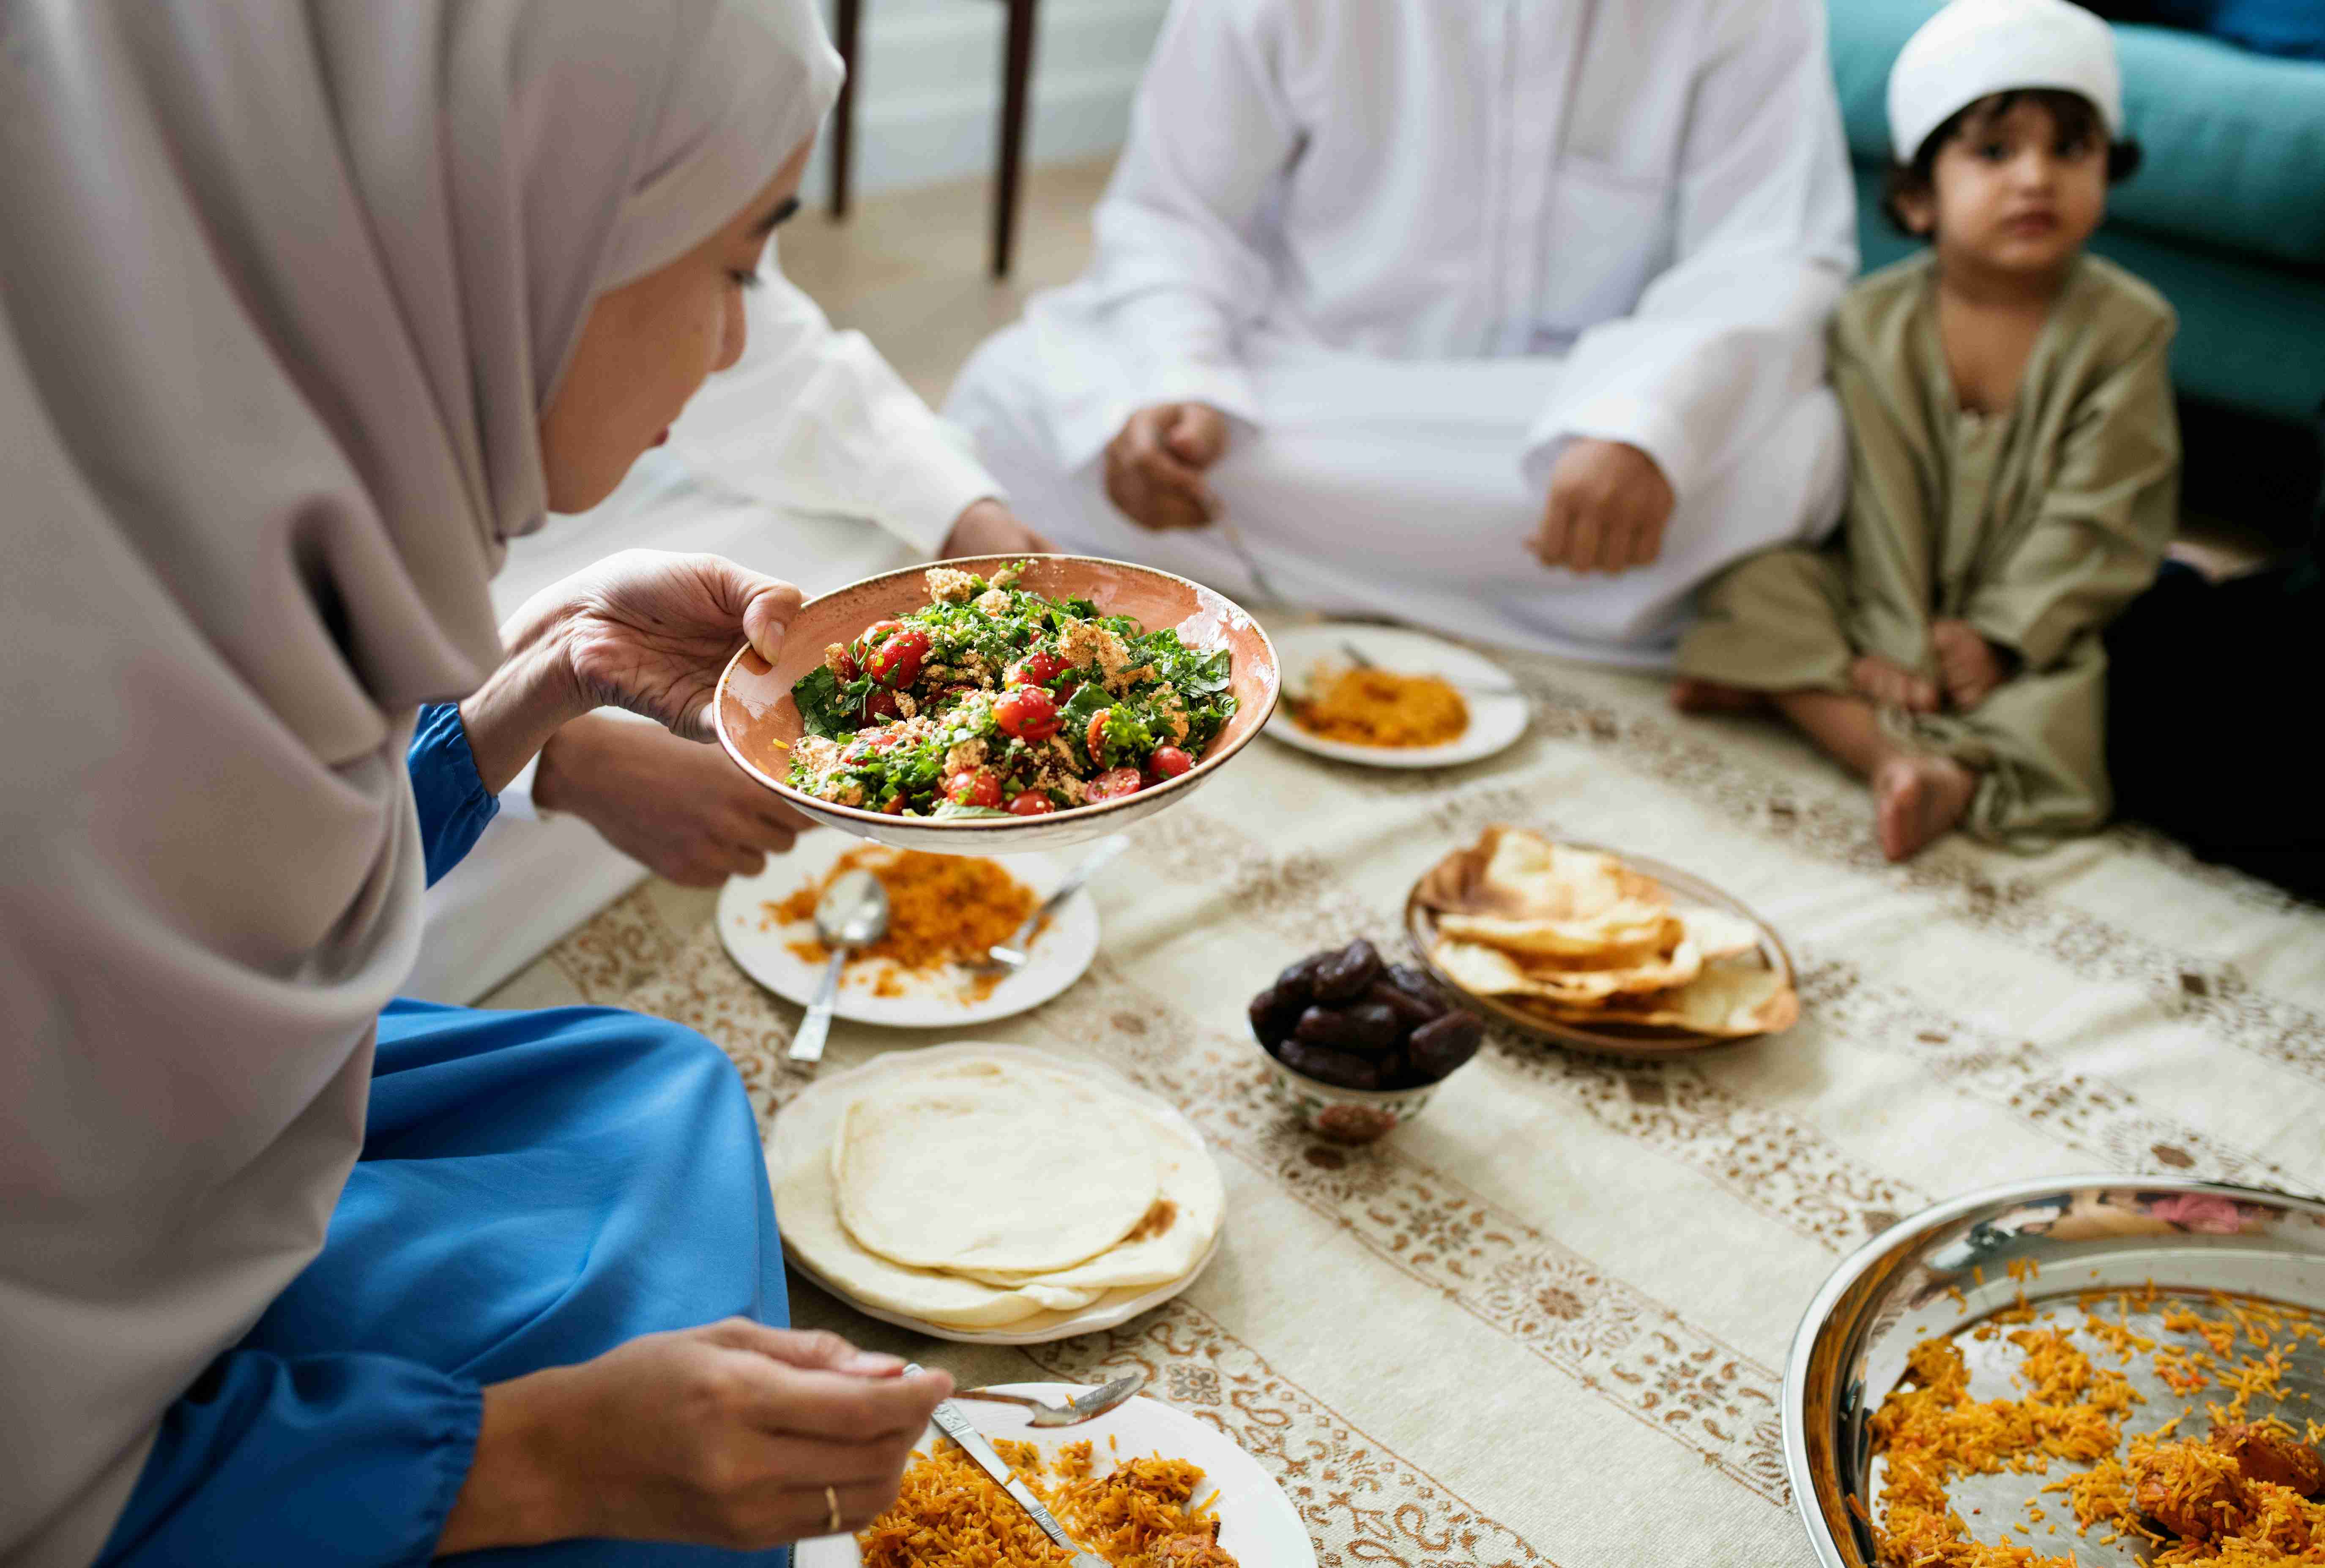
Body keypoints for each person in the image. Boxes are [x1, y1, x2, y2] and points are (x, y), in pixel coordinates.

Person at [0, 6, 952, 1566]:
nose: (732, 346)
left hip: (174, 1199)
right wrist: (532, 1463)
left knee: (654, 1093)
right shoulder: (68, 734)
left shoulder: (195, 489)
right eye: (730, 265)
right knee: (651, 1462)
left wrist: (536, 685)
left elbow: (284, 876)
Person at [942, 0, 1859, 666]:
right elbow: (1176, 215)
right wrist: (1176, 383)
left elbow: (1772, 251)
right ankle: (1542, 590)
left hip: (1568, 421)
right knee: (1010, 395)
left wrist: (1648, 420)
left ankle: (1266, 562)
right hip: (1312, 381)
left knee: (1796, 452)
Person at [409, 268, 1052, 1004]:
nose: (735, 338)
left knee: (887, 567)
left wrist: (968, 519)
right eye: (727, 275)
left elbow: (775, 362)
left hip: (586, 525)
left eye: (745, 270)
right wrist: (554, 754)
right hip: (413, 675)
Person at [1673, 0, 2179, 861]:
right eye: (1993, 152)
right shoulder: (1871, 323)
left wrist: (2000, 639)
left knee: (2083, 707)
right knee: (1754, 586)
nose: (2033, 178)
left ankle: (1894, 743)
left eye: (2068, 149)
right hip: (1885, 591)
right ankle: (1893, 756)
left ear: (2106, 168)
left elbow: (2103, 512)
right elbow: (1879, 496)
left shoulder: (2127, 329)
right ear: (1916, 197)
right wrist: (1895, 644)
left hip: (2029, 623)